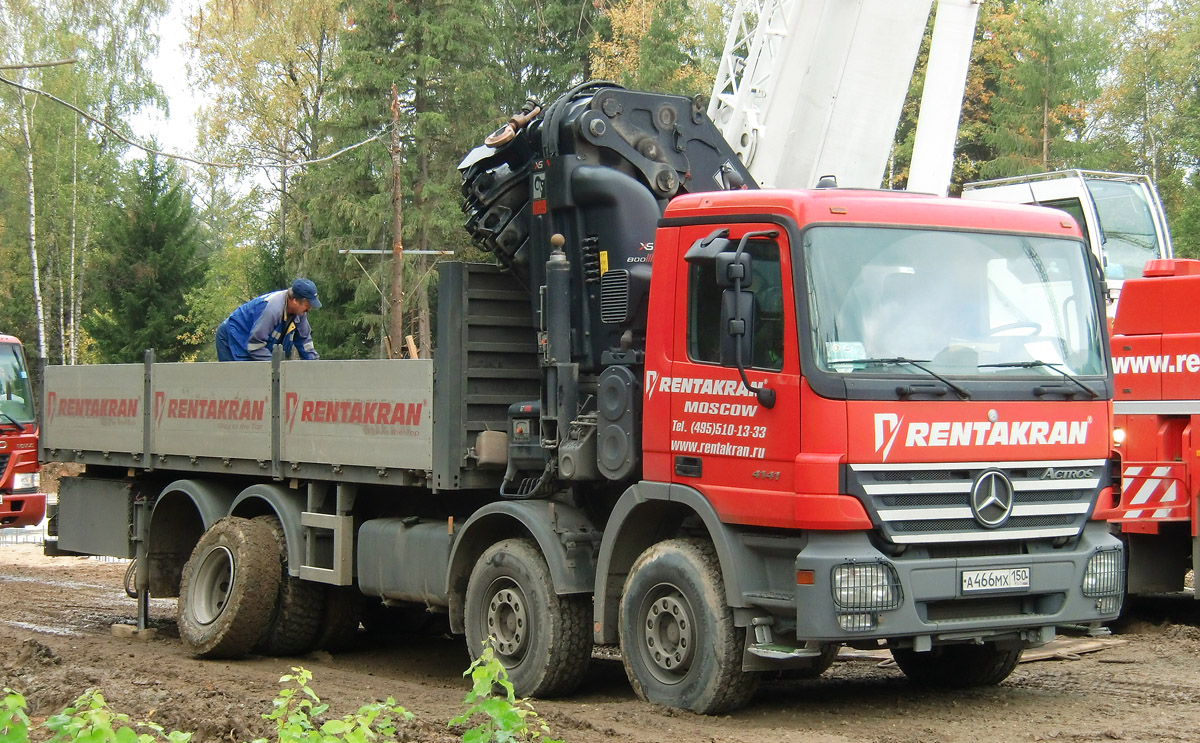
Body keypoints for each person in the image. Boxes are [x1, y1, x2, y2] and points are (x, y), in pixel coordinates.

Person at [215, 278, 322, 361]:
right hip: (232, 336)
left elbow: (305, 342)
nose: (309, 309)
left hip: (252, 342)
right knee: (241, 383)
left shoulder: (300, 313)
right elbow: (255, 345)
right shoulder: (272, 310)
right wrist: (277, 367)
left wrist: (314, 366)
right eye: (307, 305)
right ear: (294, 300)